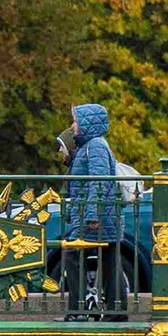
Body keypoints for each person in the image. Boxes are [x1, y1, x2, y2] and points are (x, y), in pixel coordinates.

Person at [61, 98, 125, 321]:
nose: (73, 127)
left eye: (76, 122)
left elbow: (98, 181)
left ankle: (78, 309)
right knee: (109, 260)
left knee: (72, 253)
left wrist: (92, 214)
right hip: (102, 214)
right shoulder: (90, 147)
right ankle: (116, 312)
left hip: (96, 215)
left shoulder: (95, 146)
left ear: (89, 124)